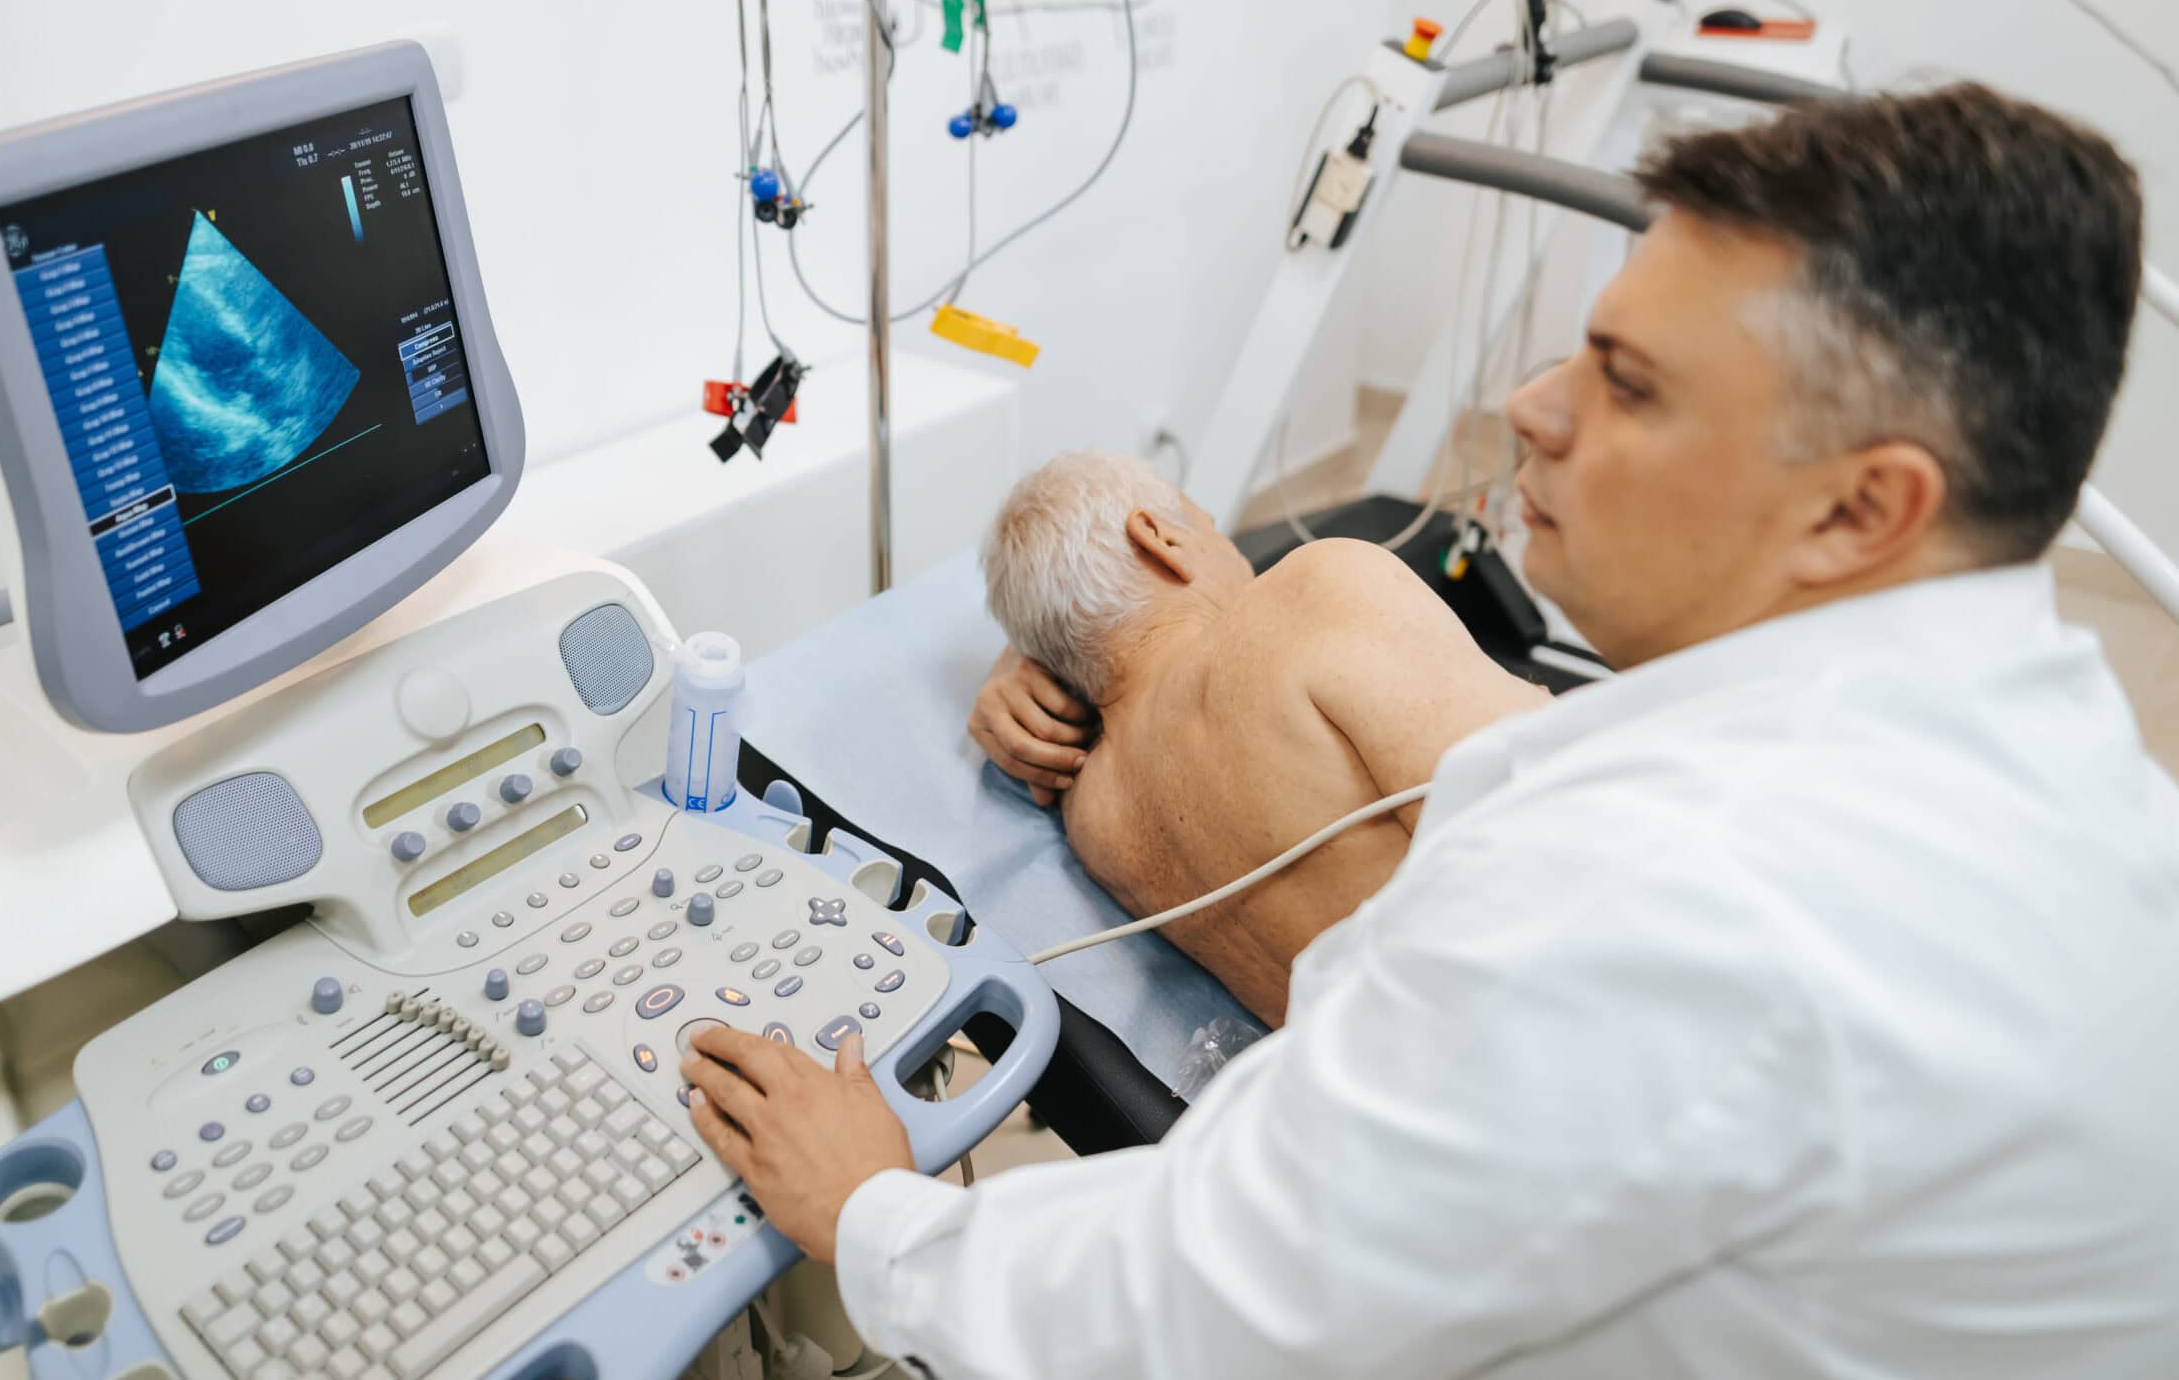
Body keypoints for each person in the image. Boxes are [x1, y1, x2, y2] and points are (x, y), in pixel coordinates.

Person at [676, 83, 2179, 1376]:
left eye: (1627, 379)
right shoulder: (2055, 768)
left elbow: (1208, 1308)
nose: (1532, 403)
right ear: (1170, 536)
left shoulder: (1639, 894)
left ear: (1864, 504)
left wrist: (880, 1209)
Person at [977, 449, 1547, 1024]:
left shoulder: (1090, 814)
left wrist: (1034, 651)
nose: (1234, 549)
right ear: (1159, 539)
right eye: (1210, 526)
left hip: (1396, 1090)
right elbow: (1561, 821)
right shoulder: (1316, 594)